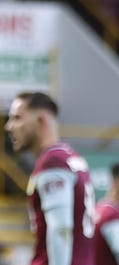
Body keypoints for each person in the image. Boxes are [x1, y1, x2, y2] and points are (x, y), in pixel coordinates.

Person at [4, 91, 95, 265]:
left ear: (41, 120)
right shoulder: (69, 157)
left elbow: (60, 229)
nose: (9, 126)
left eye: (17, 118)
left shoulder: (53, 162)